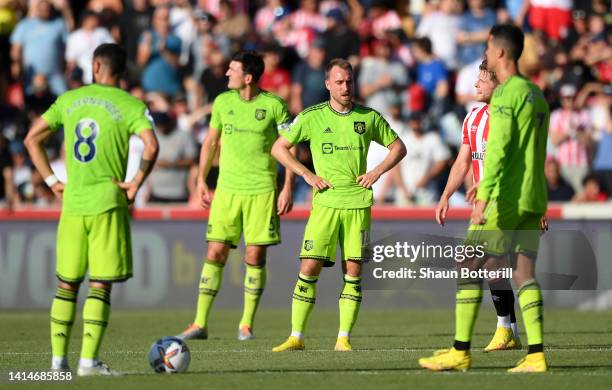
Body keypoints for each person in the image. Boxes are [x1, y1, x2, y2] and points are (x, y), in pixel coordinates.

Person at [420, 24, 549, 372]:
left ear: (501, 53)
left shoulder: (506, 96)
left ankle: (460, 351)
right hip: (532, 197)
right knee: (524, 274)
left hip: (503, 199)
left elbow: (501, 150)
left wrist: (483, 194)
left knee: (466, 263)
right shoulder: (536, 94)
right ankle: (535, 355)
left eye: (490, 48)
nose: (486, 53)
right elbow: (537, 153)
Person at [24, 43, 158, 376]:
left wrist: (52, 180)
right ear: (122, 70)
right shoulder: (130, 105)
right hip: (108, 202)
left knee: (66, 284)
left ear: (96, 66)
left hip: (73, 202)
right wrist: (136, 182)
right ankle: (88, 361)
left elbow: (31, 139)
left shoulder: (69, 100)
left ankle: (57, 364)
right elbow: (152, 146)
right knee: (100, 284)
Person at [271, 58, 406, 352]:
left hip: (358, 204)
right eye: (340, 82)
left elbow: (399, 148)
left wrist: (376, 172)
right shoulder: (312, 116)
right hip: (325, 204)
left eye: (349, 81)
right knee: (309, 267)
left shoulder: (368, 117)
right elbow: (279, 148)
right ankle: (296, 336)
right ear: (328, 84)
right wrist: (306, 174)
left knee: (353, 272)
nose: (345, 87)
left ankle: (343, 338)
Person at [178, 51, 294, 342]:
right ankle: (199, 323)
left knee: (254, 256)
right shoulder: (221, 102)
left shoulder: (274, 105)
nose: (226, 73)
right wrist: (202, 180)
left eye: (232, 69)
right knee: (215, 252)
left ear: (248, 77)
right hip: (227, 191)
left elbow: (290, 147)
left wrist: (288, 185)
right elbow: (210, 142)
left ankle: (246, 324)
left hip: (261, 191)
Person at [435, 60, 521, 352]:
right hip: (483, 206)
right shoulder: (472, 117)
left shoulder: (510, 117)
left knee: (471, 263)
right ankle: (508, 329)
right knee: (492, 267)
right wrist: (446, 195)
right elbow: (462, 160)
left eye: (482, 80)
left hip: (507, 202)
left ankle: (479, 340)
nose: (476, 85)